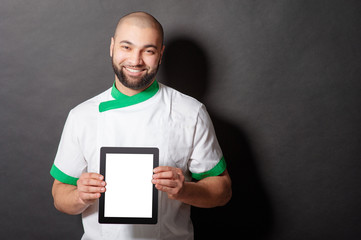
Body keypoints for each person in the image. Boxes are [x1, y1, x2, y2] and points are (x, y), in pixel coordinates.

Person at [51, 11, 232, 240]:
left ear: (161, 54)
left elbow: (222, 190)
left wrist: (186, 189)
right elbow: (59, 194)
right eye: (127, 47)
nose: (136, 60)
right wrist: (80, 196)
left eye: (148, 50)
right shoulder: (82, 116)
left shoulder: (190, 112)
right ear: (112, 47)